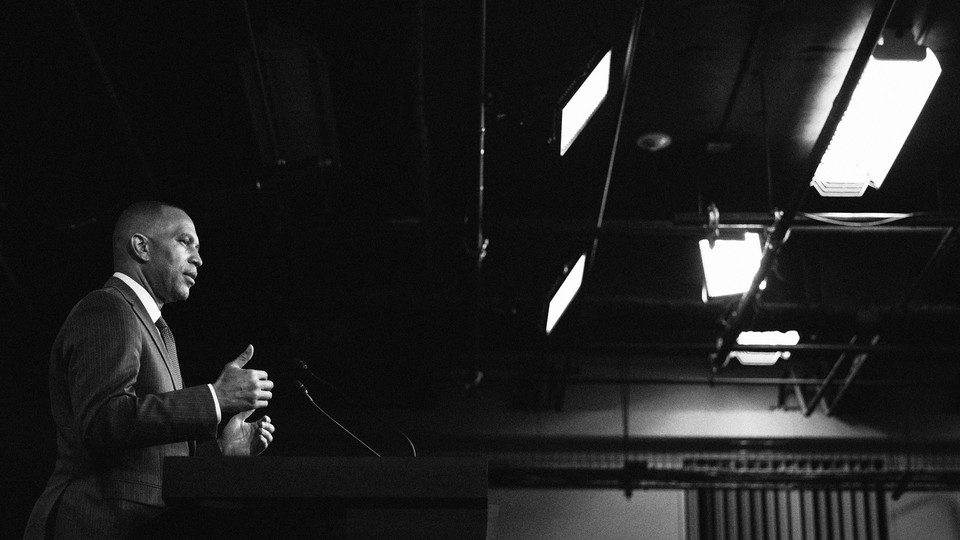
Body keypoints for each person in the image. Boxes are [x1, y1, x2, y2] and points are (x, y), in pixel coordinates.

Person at [24, 201, 276, 539]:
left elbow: (151, 457)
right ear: (141, 247)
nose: (198, 259)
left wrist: (220, 452)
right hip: (94, 522)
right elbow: (104, 420)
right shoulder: (108, 308)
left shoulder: (158, 332)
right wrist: (214, 398)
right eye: (185, 242)